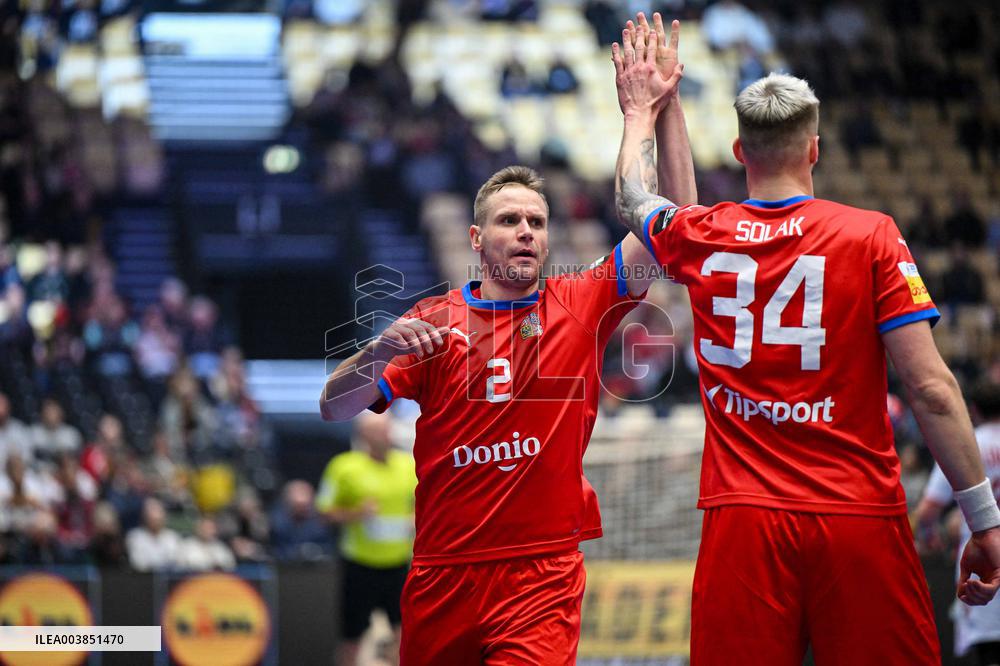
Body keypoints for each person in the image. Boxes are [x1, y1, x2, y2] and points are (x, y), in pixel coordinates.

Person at [610, 14, 1000, 665]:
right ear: (814, 149)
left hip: (744, 520)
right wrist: (983, 518)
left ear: (740, 154)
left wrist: (646, 107)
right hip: (856, 512)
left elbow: (634, 197)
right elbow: (930, 390)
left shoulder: (709, 235)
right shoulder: (871, 235)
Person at [319, 44, 692, 658]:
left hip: (540, 575)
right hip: (444, 574)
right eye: (509, 220)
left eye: (537, 223)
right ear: (476, 238)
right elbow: (335, 407)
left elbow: (672, 225)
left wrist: (651, 113)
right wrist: (376, 349)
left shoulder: (582, 300)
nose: (525, 232)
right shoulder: (430, 323)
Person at [315, 411, 416, 666]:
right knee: (351, 637)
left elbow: (425, 503)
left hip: (399, 565)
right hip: (359, 565)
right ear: (364, 435)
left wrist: (414, 518)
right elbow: (324, 512)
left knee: (405, 635)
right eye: (378, 429)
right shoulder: (343, 467)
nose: (386, 433)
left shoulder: (408, 465)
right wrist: (356, 513)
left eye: (387, 427)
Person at [916, 381, 1000, 666]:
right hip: (986, 559)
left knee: (989, 652)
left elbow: (928, 510)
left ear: (973, 410)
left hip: (984, 567)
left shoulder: (968, 444)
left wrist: (930, 534)